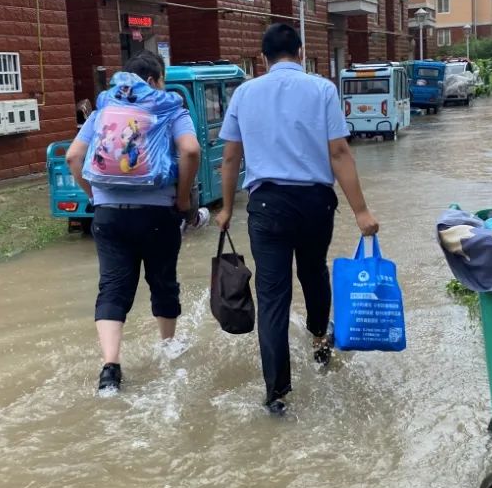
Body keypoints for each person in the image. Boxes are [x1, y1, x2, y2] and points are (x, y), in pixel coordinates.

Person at [217, 24, 379, 416]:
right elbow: (339, 152)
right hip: (314, 203)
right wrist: (361, 210)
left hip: (267, 205)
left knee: (273, 297)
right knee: (313, 273)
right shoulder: (322, 89)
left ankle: (276, 393)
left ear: (262, 58)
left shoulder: (244, 93)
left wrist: (224, 209)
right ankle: (321, 343)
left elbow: (230, 159)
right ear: (301, 52)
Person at [66, 50, 202, 394]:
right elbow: (191, 151)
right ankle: (169, 349)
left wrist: (95, 196)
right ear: (155, 81)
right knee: (163, 282)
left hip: (109, 214)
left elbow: (73, 156)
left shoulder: (102, 112)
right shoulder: (170, 108)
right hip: (158, 213)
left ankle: (110, 368)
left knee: (112, 287)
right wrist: (183, 200)